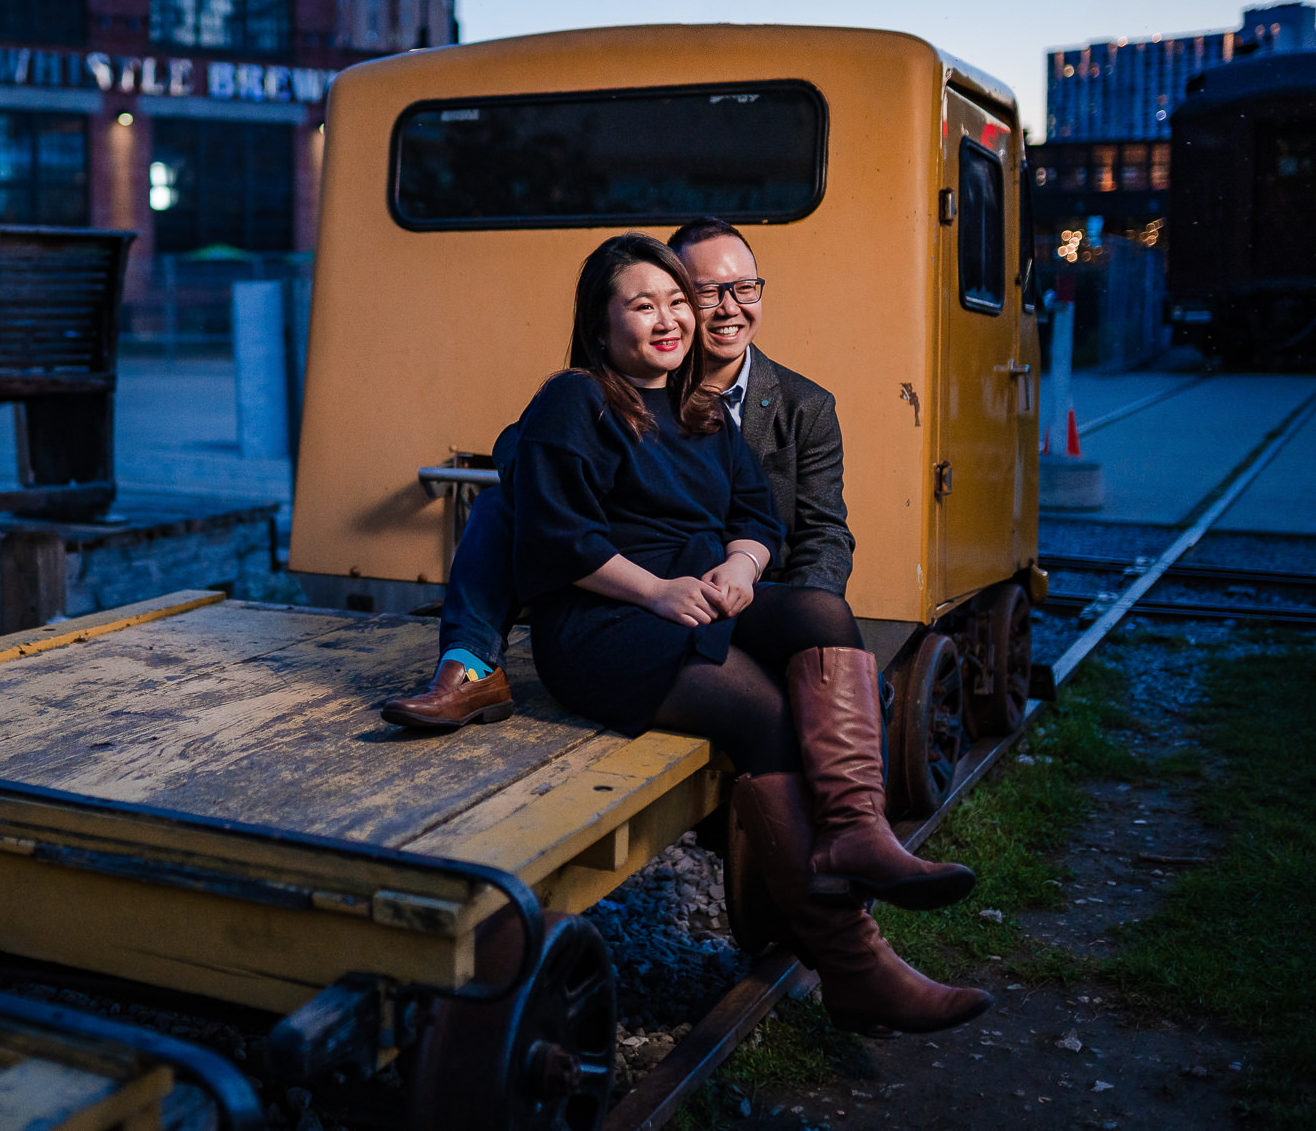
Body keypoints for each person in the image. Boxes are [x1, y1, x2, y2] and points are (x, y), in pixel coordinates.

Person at [395, 233, 989, 1035]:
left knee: (822, 611)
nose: (671, 319)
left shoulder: (701, 411)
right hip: (605, 624)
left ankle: (856, 832)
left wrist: (743, 566)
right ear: (601, 326)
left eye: (677, 302)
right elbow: (553, 538)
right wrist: (658, 589)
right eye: (644, 306)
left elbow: (755, 514)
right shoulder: (575, 399)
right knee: (764, 713)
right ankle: (857, 965)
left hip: (698, 598)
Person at [384, 217, 850, 732]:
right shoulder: (599, 390)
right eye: (706, 293)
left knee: (821, 645)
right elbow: (525, 451)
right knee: (508, 500)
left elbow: (822, 534)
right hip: (629, 594)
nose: (728, 307)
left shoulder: (802, 406)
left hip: (745, 589)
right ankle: (469, 662)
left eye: (744, 288)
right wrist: (559, 456)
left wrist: (782, 628)